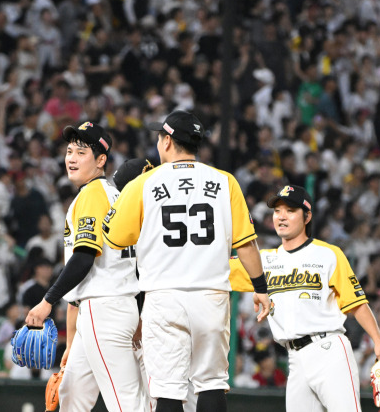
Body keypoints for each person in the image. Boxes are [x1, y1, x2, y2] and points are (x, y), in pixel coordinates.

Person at [101, 110, 271, 412]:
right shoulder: (224, 181)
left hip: (164, 296)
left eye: (159, 137)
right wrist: (260, 288)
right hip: (212, 295)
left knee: (167, 391)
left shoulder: (144, 183)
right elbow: (245, 243)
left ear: (167, 142)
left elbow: (114, 237)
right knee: (212, 384)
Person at [231, 184, 380, 411]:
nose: (281, 216)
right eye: (277, 210)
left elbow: (357, 304)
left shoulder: (328, 254)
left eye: (290, 210)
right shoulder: (261, 261)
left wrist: (378, 340)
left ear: (307, 216)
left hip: (328, 350)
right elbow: (214, 269)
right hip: (294, 358)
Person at [25, 121, 149, 411]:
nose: (71, 158)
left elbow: (84, 256)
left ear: (101, 160)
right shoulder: (113, 195)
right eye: (69, 151)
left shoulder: (93, 193)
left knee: (126, 402)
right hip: (108, 307)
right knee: (72, 394)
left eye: (81, 152)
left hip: (104, 307)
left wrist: (46, 301)